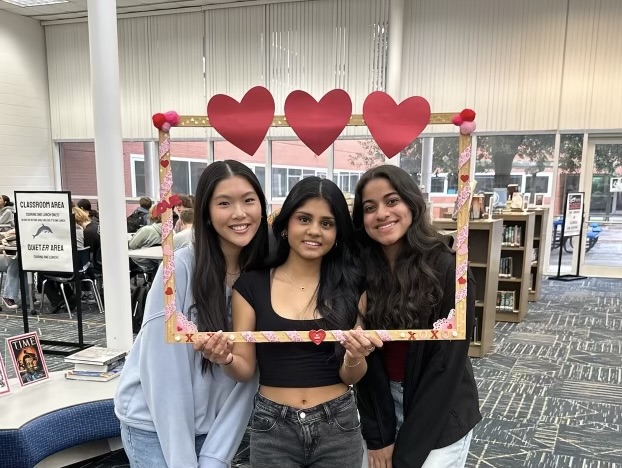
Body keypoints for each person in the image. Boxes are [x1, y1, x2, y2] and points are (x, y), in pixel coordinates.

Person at [196, 176, 383, 468]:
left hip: (339, 424)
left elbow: (351, 376)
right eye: (304, 219)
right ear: (285, 226)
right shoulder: (251, 286)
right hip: (272, 427)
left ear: (337, 234)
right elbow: (244, 370)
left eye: (327, 223)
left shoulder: (353, 286)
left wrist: (355, 357)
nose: (314, 231)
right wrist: (225, 357)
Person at [115, 160, 269, 468]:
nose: (240, 213)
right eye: (224, 203)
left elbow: (249, 378)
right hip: (156, 426)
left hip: (216, 428)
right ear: (208, 214)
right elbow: (164, 373)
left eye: (249, 200)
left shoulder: (265, 273)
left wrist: (215, 457)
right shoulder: (179, 269)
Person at [351, 165, 481, 468]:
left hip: (438, 404)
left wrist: (406, 456)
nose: (381, 213)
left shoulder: (450, 268)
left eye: (392, 201)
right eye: (370, 208)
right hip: (380, 399)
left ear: (411, 203)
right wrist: (380, 436)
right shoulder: (360, 271)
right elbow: (364, 358)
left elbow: (445, 366)